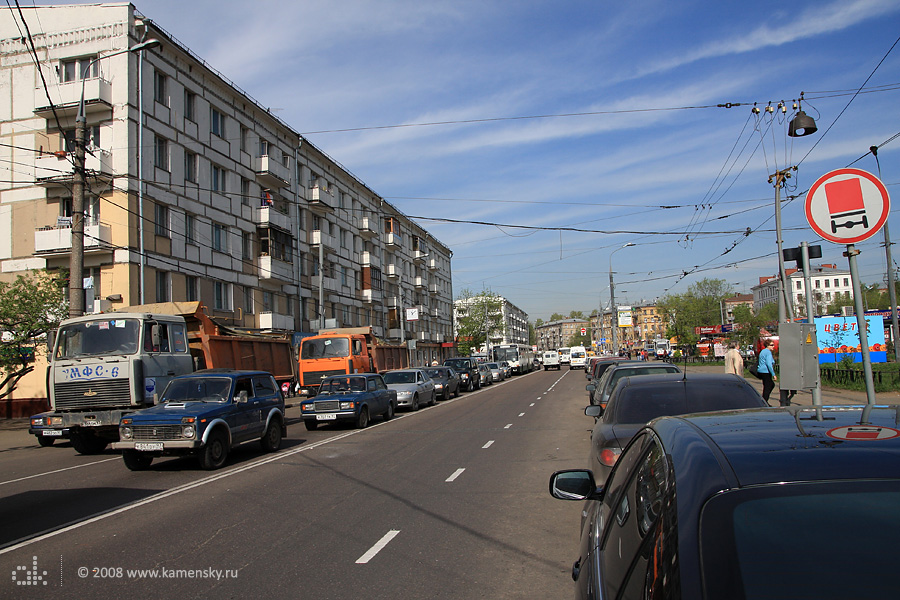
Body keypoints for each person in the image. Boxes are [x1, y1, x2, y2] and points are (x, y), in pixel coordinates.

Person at [757, 339, 777, 404]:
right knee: (768, 386)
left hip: (762, 371)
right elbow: (769, 364)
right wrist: (773, 374)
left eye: (773, 345)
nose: (773, 346)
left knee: (768, 385)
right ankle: (764, 401)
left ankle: (764, 400)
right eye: (771, 345)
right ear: (767, 345)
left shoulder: (763, 351)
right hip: (766, 371)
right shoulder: (768, 352)